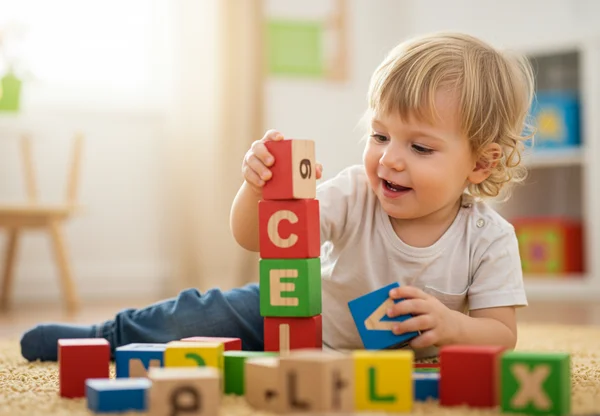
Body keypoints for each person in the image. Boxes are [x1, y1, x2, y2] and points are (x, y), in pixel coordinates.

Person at [20, 32, 532, 362]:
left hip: (376, 364)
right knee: (197, 315)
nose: (391, 159)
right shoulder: (356, 191)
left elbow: (500, 334)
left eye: (419, 146)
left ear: (480, 164)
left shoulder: (489, 239)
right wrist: (256, 189)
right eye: (380, 136)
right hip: (290, 314)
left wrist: (452, 326)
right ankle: (103, 335)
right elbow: (253, 240)